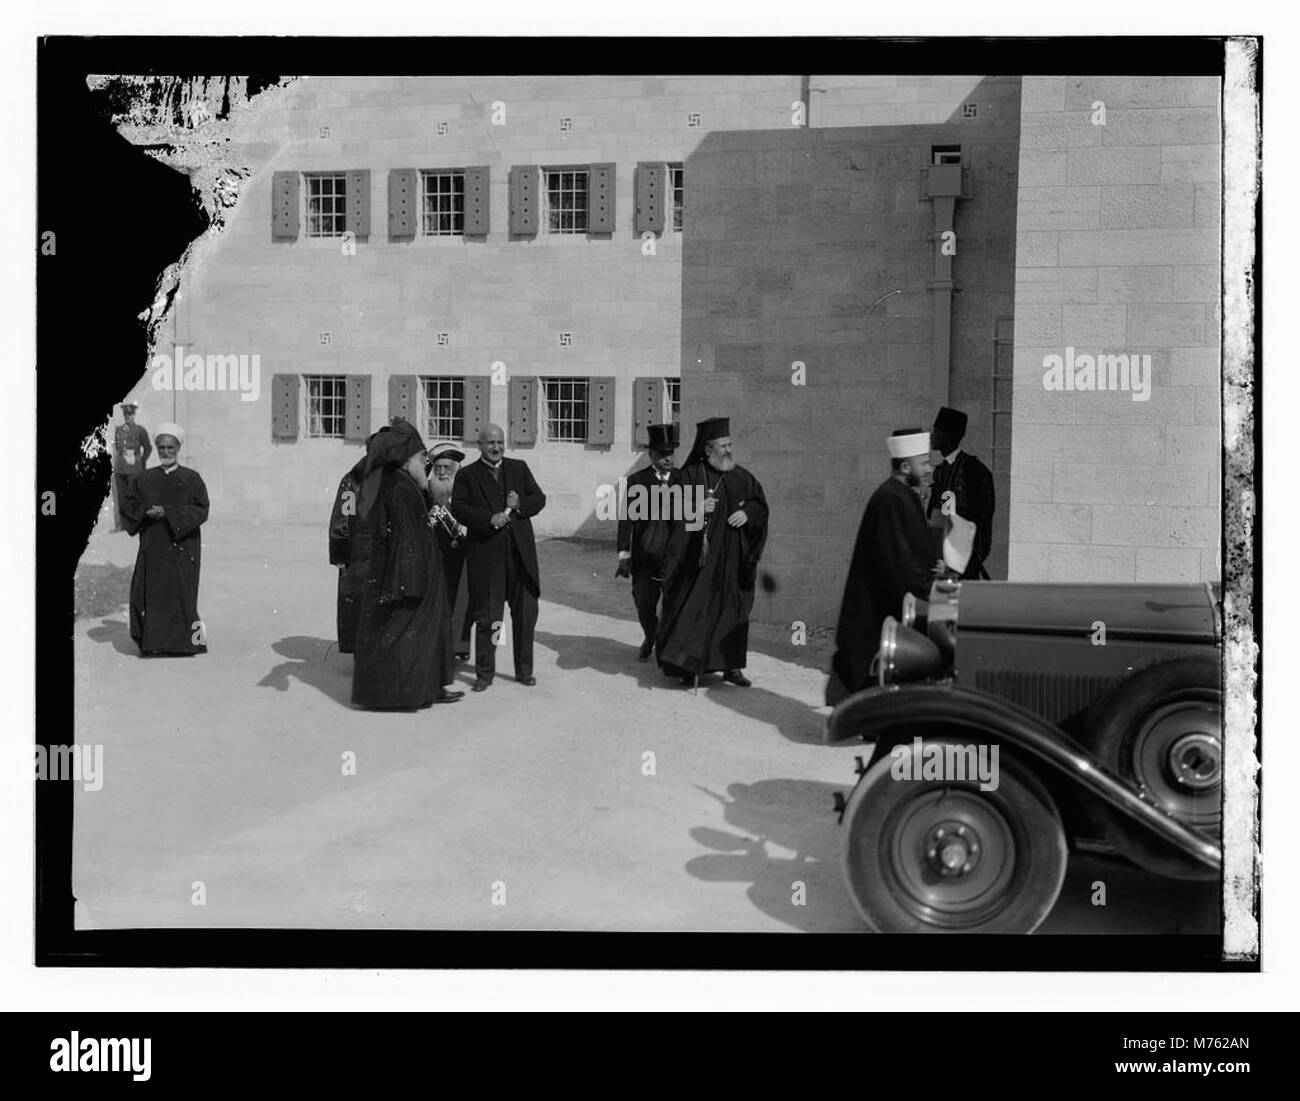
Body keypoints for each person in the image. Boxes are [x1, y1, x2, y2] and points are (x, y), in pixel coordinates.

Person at [825, 427, 944, 707]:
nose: (929, 469)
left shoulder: (904, 495)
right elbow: (898, 563)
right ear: (905, 466)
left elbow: (911, 550)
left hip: (895, 603)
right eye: (923, 462)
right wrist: (931, 586)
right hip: (878, 608)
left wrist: (932, 567)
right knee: (871, 671)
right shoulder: (891, 499)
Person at [351, 419, 463, 709]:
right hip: (412, 579)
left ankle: (432, 688)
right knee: (409, 639)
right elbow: (406, 540)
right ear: (406, 458)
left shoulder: (403, 483)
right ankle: (405, 694)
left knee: (431, 634)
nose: (425, 463)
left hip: (421, 575)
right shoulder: (399, 487)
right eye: (421, 457)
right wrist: (411, 583)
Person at [656, 417, 768, 689]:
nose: (729, 450)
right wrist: (695, 509)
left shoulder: (742, 477)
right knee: (694, 614)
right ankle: (688, 669)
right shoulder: (689, 476)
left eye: (730, 444)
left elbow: (760, 506)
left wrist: (747, 513)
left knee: (734, 613)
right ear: (707, 450)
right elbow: (668, 511)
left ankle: (732, 668)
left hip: (732, 562)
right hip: (699, 563)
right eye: (723, 445)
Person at [452, 423, 547, 692]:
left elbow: (539, 499)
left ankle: (524, 671)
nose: (496, 448)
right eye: (490, 443)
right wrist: (487, 519)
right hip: (488, 559)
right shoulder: (467, 476)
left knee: (525, 616)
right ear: (479, 445)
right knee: (490, 618)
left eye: (500, 443)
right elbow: (458, 508)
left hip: (520, 558)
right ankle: (485, 673)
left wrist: (520, 506)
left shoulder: (519, 468)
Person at [120, 422, 208, 656]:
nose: (166, 452)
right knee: (150, 593)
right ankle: (152, 644)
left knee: (182, 595)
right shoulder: (143, 479)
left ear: (178, 448)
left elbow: (201, 510)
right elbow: (129, 507)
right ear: (157, 449)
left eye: (171, 447)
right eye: (162, 448)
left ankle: (185, 645)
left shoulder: (192, 478)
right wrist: (145, 512)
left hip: (183, 546)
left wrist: (167, 513)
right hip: (153, 545)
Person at [616, 423, 679, 660]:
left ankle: (666, 646)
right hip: (646, 557)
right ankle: (651, 634)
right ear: (651, 455)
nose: (667, 458)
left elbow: (694, 520)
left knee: (674, 605)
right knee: (644, 604)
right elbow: (626, 521)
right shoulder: (637, 482)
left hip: (675, 557)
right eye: (662, 453)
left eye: (670, 453)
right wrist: (624, 555)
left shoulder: (685, 479)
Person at [328, 429, 386, 655]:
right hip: (358, 554)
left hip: (384, 552)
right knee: (358, 606)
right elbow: (342, 519)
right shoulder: (353, 482)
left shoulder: (393, 477)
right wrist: (341, 556)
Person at [926, 405, 996, 580]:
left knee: (962, 604)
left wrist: (975, 555)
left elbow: (983, 515)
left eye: (936, 432)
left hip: (963, 557)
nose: (932, 436)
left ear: (948, 437)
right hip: (941, 554)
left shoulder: (973, 470)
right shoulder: (940, 470)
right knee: (944, 605)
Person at [426, 441, 471, 688]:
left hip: (461, 555)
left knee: (461, 602)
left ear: (455, 469)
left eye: (447, 467)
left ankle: (460, 648)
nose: (442, 472)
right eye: (438, 467)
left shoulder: (464, 489)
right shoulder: (429, 489)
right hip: (437, 555)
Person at [111, 401, 152, 532]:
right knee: (121, 497)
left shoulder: (140, 430)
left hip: (135, 467)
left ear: (134, 415)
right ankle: (122, 525)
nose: (128, 416)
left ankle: (136, 523)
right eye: (126, 414)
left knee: (134, 496)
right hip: (121, 467)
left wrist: (141, 461)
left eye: (130, 414)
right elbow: (117, 447)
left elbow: (148, 448)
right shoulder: (119, 430)